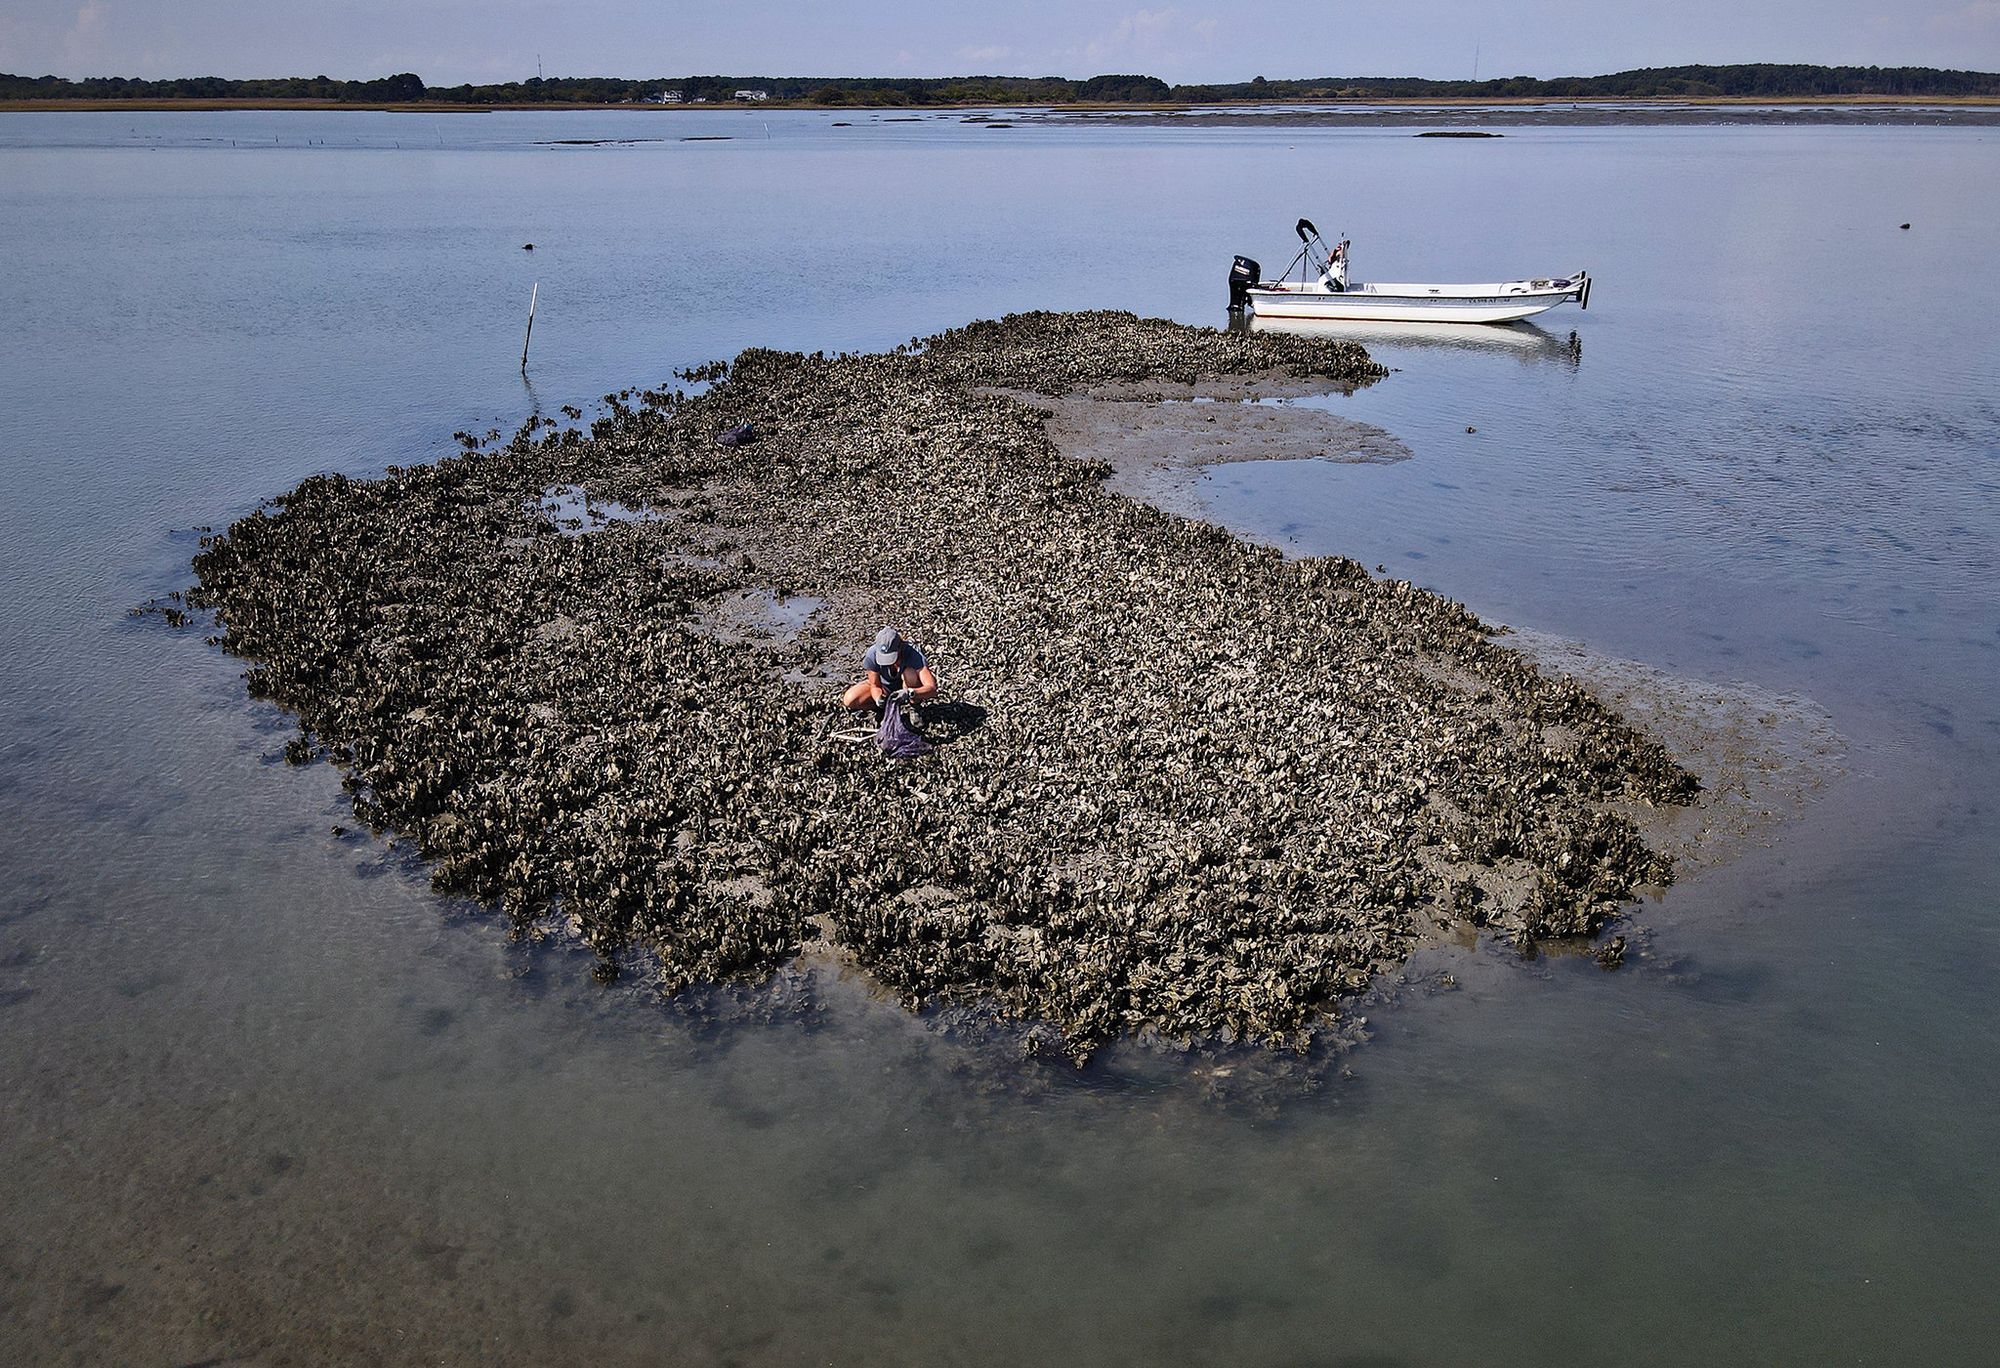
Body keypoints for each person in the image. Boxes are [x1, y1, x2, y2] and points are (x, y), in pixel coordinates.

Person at [841, 626, 938, 711]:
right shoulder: (872, 655)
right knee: (850, 700)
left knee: (910, 673)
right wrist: (878, 699)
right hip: (885, 687)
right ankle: (886, 708)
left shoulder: (913, 654)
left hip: (909, 688)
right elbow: (875, 685)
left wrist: (909, 693)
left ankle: (914, 706)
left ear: (900, 647)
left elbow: (932, 688)